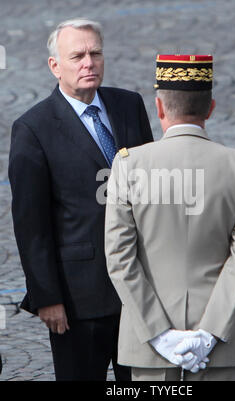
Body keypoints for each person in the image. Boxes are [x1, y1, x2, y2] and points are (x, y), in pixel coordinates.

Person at [8, 18, 153, 381]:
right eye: (77, 56)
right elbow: (31, 223)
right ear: (55, 66)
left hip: (139, 292)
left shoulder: (129, 105)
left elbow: (151, 191)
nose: (88, 62)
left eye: (95, 53)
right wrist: (47, 297)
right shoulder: (33, 128)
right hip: (77, 301)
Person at [105, 54, 235, 381]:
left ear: (160, 108)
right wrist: (208, 334)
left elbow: (120, 258)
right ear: (211, 108)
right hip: (218, 352)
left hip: (149, 351)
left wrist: (161, 335)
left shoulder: (128, 164)